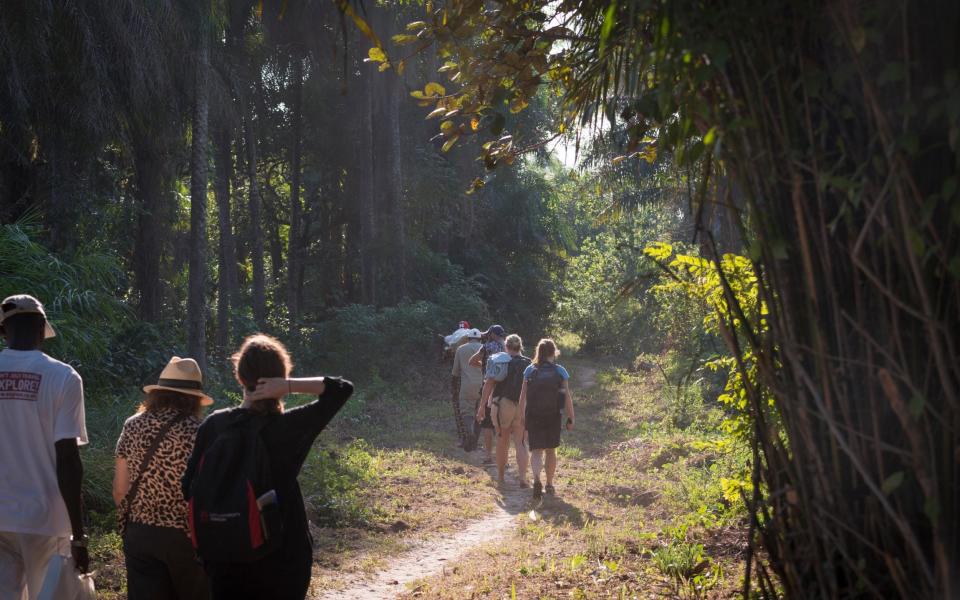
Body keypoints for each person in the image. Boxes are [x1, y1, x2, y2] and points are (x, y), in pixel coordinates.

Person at [182, 334, 353, 600]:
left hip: (222, 557)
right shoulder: (288, 428)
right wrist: (287, 386)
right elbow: (341, 389)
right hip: (281, 557)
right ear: (281, 376)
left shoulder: (214, 426)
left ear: (240, 377)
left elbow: (187, 488)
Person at [0, 294, 89, 599]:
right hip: (45, 519)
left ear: (3, 332)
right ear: (42, 329)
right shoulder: (63, 377)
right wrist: (79, 535)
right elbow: (68, 459)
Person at [113, 357, 212, 599]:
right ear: (195, 398)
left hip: (140, 534)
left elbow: (119, 489)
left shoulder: (132, 425)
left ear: (157, 393)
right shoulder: (201, 431)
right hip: (186, 537)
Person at [519, 338, 575, 500]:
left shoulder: (529, 370)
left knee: (536, 450)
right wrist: (571, 417)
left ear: (539, 352)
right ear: (554, 352)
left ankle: (537, 480)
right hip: (553, 416)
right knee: (551, 450)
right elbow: (567, 397)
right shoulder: (560, 371)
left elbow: (523, 397)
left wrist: (522, 417)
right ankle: (549, 484)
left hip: (533, 415)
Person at [484, 334, 531, 485]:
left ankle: (501, 476)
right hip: (522, 405)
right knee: (521, 442)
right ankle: (523, 477)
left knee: (502, 441)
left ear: (506, 346)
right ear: (520, 347)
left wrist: (481, 407)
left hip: (503, 404)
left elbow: (490, 384)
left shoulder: (501, 360)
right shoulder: (528, 363)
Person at [470, 325, 505, 464]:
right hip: (504, 389)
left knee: (487, 425)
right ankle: (503, 457)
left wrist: (484, 366)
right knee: (503, 424)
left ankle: (488, 456)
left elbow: (471, 361)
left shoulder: (486, 347)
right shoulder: (507, 348)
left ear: (490, 334)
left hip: (488, 387)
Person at [450, 330, 483, 451]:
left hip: (467, 386)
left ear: (468, 338)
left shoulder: (461, 349)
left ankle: (470, 432)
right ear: (480, 339)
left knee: (466, 413)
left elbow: (455, 372)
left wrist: (453, 388)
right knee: (480, 414)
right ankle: (474, 443)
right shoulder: (484, 349)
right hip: (483, 386)